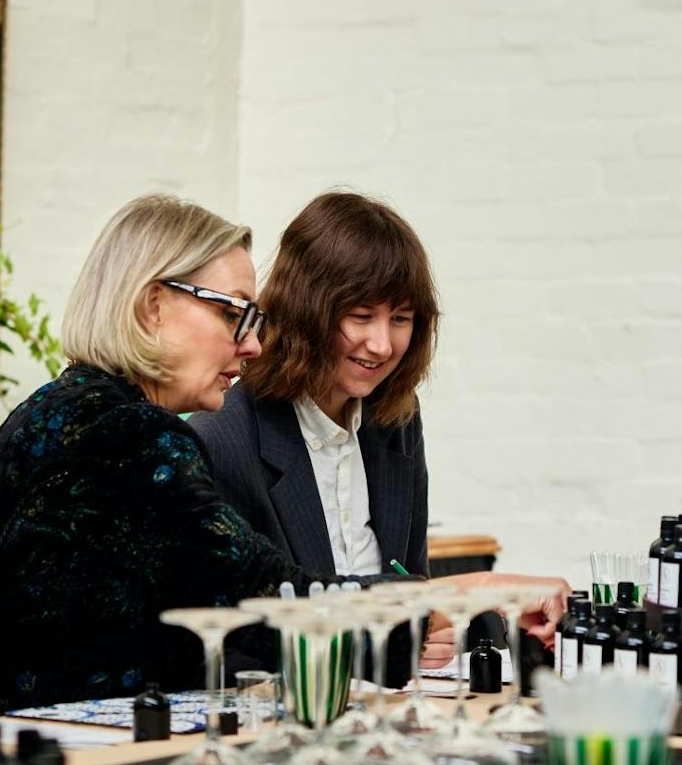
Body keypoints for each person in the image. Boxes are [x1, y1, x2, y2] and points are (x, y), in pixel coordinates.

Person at [0, 193, 558, 719]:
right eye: (235, 313)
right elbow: (265, 604)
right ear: (155, 306)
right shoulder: (127, 437)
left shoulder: (58, 411)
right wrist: (458, 594)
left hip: (3, 755)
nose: (254, 343)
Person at [190, 191, 556, 673]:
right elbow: (243, 640)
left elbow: (412, 584)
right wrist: (409, 626)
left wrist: (436, 630)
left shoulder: (396, 420)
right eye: (360, 316)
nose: (382, 344)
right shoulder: (224, 435)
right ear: (306, 310)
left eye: (401, 319)